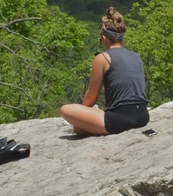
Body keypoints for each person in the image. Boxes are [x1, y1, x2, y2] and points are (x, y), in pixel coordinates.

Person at [60, 8, 149, 136]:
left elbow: (91, 96)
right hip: (142, 116)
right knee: (85, 122)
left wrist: (83, 115)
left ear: (104, 38)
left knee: (66, 110)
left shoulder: (102, 58)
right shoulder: (136, 56)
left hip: (118, 120)